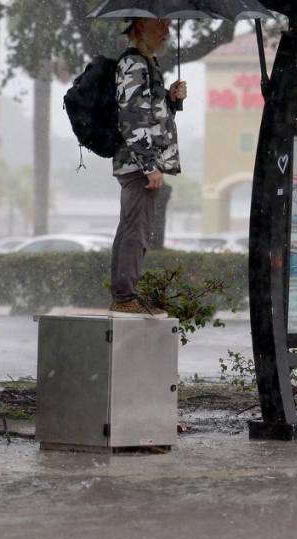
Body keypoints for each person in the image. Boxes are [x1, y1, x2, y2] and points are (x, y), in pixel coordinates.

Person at [109, 18, 187, 316]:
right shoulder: (134, 65)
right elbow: (131, 118)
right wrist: (148, 165)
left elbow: (151, 114)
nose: (166, 31)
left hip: (141, 162)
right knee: (136, 231)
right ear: (139, 28)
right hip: (138, 164)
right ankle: (125, 297)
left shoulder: (147, 63)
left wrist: (170, 98)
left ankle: (124, 294)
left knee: (132, 228)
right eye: (160, 26)